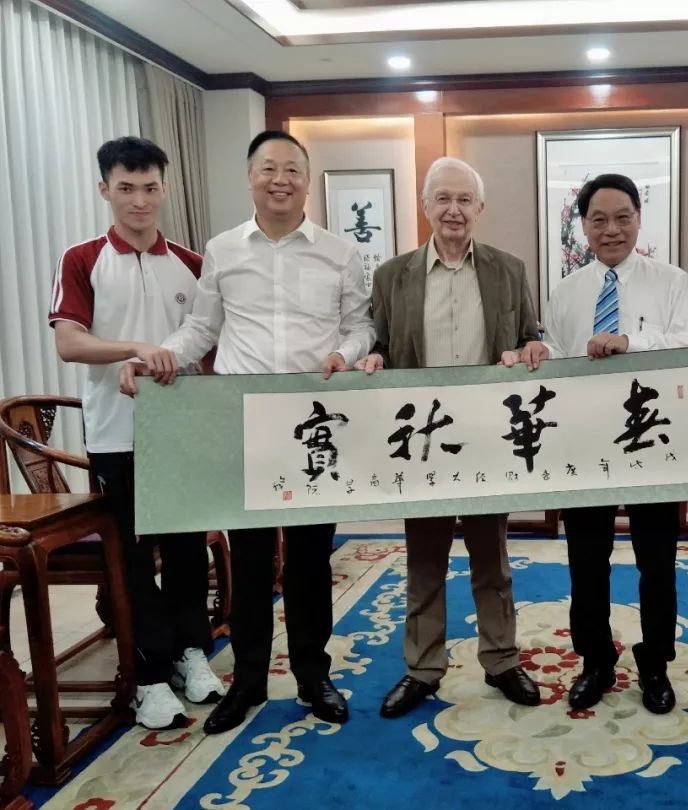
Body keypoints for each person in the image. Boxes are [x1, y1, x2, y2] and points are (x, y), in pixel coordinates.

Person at [122, 130, 375, 734]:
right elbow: (201, 329)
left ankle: (313, 675)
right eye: (268, 168)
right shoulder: (223, 250)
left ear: (307, 181)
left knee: (311, 559)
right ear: (250, 177)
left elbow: (361, 326)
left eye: (291, 169)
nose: (280, 179)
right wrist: (157, 357)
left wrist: (345, 353)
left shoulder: (340, 253)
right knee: (252, 561)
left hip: (314, 427)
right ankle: (250, 682)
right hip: (245, 422)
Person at [513, 173, 688, 713]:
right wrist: (537, 353)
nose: (611, 229)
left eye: (622, 217)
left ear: (639, 219)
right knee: (586, 560)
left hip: (654, 442)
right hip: (586, 446)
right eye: (598, 219)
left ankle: (655, 665)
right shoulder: (567, 291)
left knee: (656, 561)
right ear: (583, 226)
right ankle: (595, 662)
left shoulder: (671, 282)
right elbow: (556, 355)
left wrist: (631, 342)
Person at [356, 157, 541, 718]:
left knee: (492, 559)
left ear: (480, 208)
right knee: (424, 560)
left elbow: (530, 336)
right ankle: (422, 669)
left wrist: (531, 350)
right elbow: (380, 342)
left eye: (464, 199)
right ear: (425, 206)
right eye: (443, 198)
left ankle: (502, 660)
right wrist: (373, 357)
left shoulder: (509, 270)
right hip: (422, 439)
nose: (454, 210)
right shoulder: (392, 275)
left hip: (486, 435)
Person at [49, 136, 224, 730]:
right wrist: (137, 349)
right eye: (126, 188)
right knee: (131, 556)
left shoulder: (192, 264)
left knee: (186, 549)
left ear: (164, 189)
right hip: (116, 433)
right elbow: (69, 342)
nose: (139, 201)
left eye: (150, 188)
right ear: (105, 189)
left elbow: (209, 346)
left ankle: (190, 652)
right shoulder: (82, 259)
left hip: (183, 432)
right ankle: (148, 675)